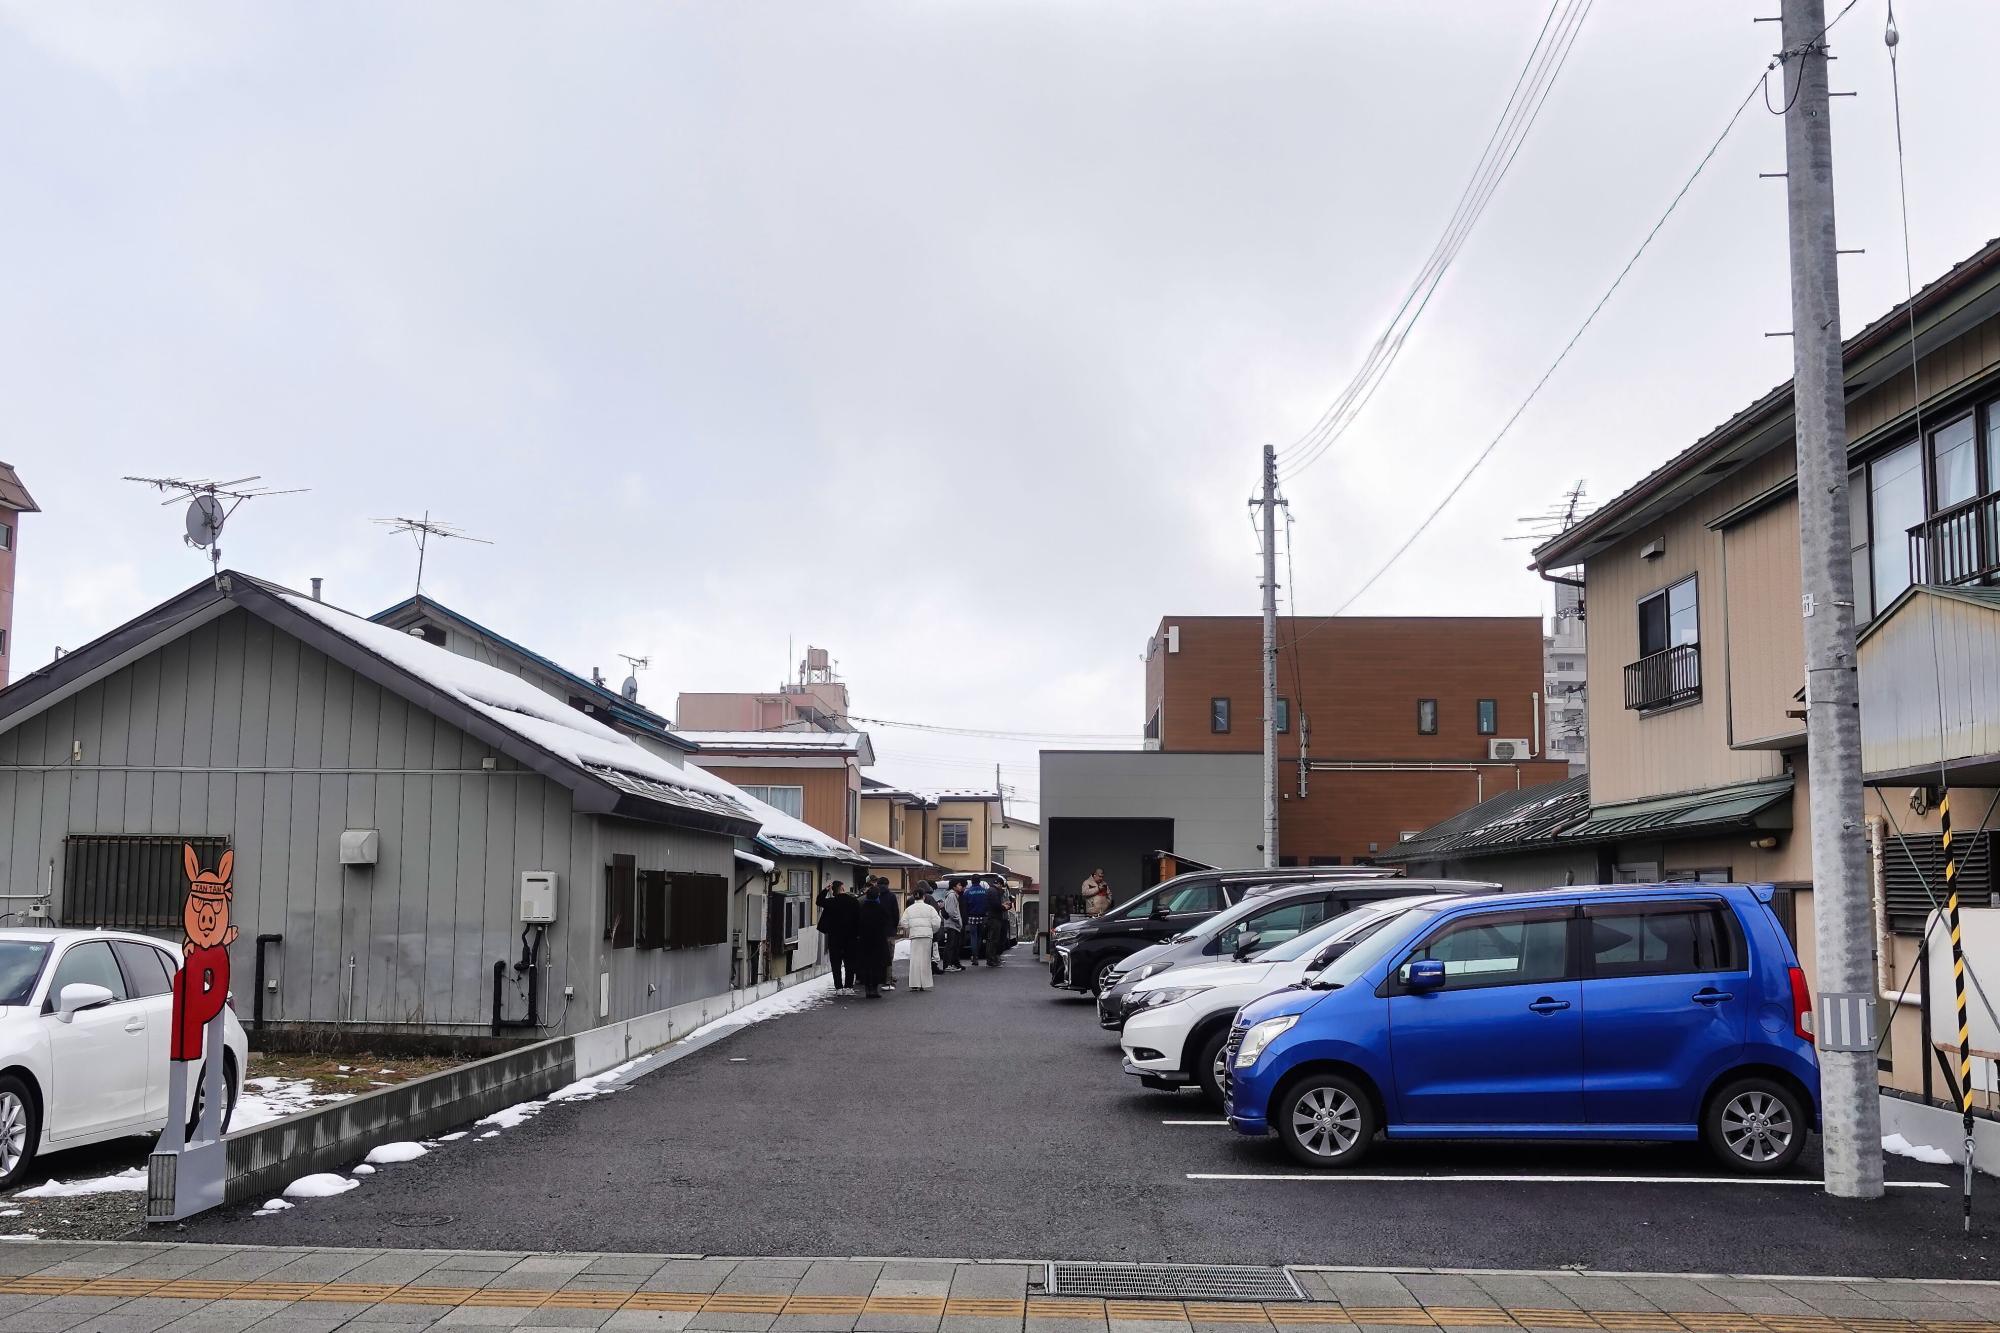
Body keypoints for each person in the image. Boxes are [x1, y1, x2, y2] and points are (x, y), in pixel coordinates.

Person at [854, 882, 898, 999]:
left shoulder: (862, 908)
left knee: (866, 965)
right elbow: (887, 922)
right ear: (877, 896)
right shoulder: (880, 909)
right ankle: (874, 989)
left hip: (864, 942)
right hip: (878, 941)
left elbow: (857, 924)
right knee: (877, 966)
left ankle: (868, 988)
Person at [815, 880, 859, 992]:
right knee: (850, 963)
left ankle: (839, 987)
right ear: (843, 889)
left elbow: (819, 901)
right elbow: (859, 918)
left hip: (834, 937)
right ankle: (848, 986)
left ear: (833, 891)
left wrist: (826, 890)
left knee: (836, 963)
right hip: (851, 937)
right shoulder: (853, 902)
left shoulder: (831, 902)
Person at [900, 888, 941, 992]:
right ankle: (924, 983)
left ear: (914, 896)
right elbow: (937, 921)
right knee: (925, 959)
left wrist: (910, 928)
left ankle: (914, 983)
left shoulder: (909, 909)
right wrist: (932, 930)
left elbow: (903, 922)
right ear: (924, 896)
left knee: (915, 959)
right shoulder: (930, 908)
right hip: (927, 935)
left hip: (915, 935)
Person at [936, 879, 965, 972]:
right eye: (959, 885)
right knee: (950, 945)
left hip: (952, 924)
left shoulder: (953, 895)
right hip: (952, 924)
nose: (961, 887)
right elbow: (952, 912)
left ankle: (952, 963)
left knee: (953, 945)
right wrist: (958, 921)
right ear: (954, 886)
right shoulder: (952, 895)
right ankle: (947, 965)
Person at [981, 877, 1011, 967]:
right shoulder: (994, 891)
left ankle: (991, 958)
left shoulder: (990, 890)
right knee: (993, 939)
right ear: (999, 884)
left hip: (992, 918)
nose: (1001, 888)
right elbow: (995, 905)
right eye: (1001, 886)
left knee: (992, 939)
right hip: (995, 918)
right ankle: (991, 959)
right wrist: (1003, 907)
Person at [962, 876, 991, 962]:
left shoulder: (967, 892)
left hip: (971, 916)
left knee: (973, 936)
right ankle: (977, 954)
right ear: (979, 881)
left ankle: (974, 956)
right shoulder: (985, 892)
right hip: (982, 916)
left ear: (971, 881)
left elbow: (965, 906)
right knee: (979, 937)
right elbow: (988, 904)